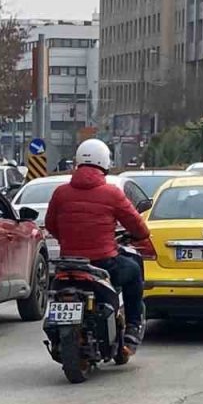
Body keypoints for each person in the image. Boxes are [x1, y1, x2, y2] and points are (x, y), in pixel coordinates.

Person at [45, 139, 150, 355]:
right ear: (105, 162)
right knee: (133, 270)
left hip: (68, 264)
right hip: (103, 262)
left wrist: (66, 240)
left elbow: (50, 224)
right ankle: (132, 326)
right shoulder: (112, 193)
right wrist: (140, 235)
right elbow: (137, 226)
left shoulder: (60, 192)